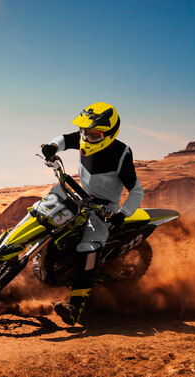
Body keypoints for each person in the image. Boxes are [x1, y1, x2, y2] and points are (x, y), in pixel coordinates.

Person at [41, 102, 144, 326]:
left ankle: (75, 307)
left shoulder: (121, 154)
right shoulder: (85, 138)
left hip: (104, 209)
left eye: (94, 134)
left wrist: (123, 214)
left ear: (109, 134)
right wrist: (52, 146)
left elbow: (136, 190)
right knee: (46, 213)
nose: (86, 138)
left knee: (88, 246)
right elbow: (64, 139)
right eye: (84, 132)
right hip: (80, 196)